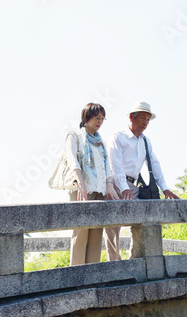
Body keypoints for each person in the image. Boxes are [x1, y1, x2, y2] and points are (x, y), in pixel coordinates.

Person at [105, 101, 179, 261]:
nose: (145, 123)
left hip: (134, 185)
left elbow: (155, 163)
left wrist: (165, 188)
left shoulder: (145, 141)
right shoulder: (118, 137)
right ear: (132, 117)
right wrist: (123, 188)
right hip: (116, 184)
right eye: (143, 118)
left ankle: (135, 259)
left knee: (141, 220)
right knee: (113, 225)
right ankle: (114, 262)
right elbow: (115, 164)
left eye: (148, 119)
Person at [65, 103, 119, 266]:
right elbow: (72, 159)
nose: (100, 121)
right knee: (81, 232)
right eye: (97, 118)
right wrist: (81, 184)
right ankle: (76, 275)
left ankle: (92, 273)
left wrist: (110, 184)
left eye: (102, 119)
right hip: (82, 188)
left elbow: (106, 164)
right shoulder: (75, 135)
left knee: (96, 232)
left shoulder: (100, 140)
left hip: (100, 189)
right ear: (86, 118)